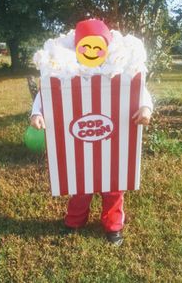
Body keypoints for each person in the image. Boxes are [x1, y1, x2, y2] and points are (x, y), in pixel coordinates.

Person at [30, 20, 153, 246]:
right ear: (77, 47)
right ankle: (74, 221)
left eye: (98, 47)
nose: (93, 52)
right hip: (79, 148)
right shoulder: (66, 72)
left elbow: (140, 90)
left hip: (114, 147)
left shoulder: (121, 71)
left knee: (114, 188)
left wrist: (145, 107)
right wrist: (37, 112)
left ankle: (113, 226)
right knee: (80, 187)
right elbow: (46, 93)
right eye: (87, 46)